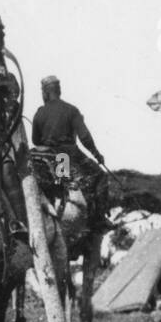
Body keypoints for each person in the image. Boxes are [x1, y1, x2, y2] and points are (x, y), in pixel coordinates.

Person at [31, 75, 111, 230]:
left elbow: (35, 140)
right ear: (58, 91)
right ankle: (99, 219)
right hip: (68, 155)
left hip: (47, 156)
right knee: (101, 176)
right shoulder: (71, 110)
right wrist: (96, 154)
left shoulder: (39, 113)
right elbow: (85, 137)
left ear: (46, 93)